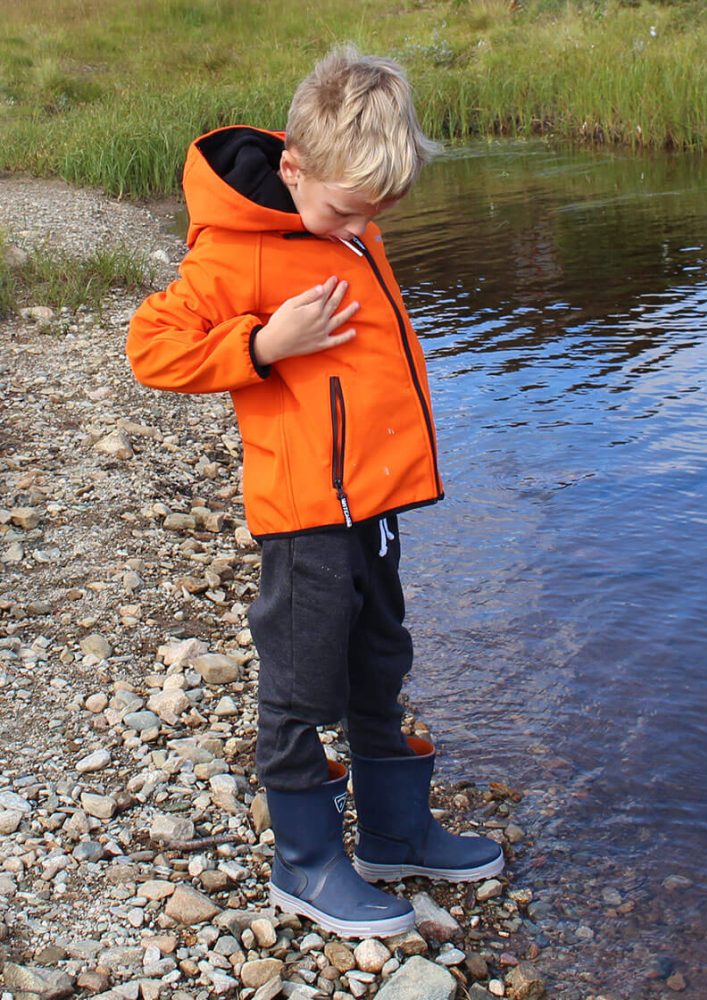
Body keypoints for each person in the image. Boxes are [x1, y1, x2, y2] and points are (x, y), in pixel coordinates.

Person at [127, 45, 503, 939]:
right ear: (294, 169)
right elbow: (151, 348)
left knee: (382, 658)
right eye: (345, 208)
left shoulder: (349, 218)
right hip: (306, 515)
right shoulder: (238, 252)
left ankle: (394, 834)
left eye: (375, 212)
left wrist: (347, 221)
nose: (358, 226)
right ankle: (303, 864)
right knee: (300, 685)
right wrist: (261, 345)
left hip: (374, 501)